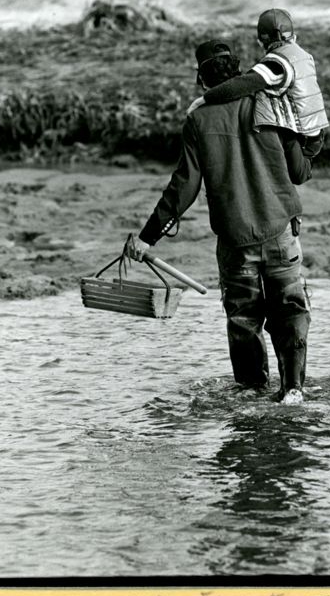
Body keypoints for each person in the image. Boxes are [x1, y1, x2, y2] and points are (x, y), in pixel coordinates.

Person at [127, 39, 320, 405]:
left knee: (243, 320)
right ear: (238, 68)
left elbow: (183, 187)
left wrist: (147, 237)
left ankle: (250, 397)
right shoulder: (272, 100)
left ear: (201, 78)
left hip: (235, 242)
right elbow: (299, 173)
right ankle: (293, 390)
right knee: (290, 311)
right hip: (280, 231)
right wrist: (312, 144)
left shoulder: (198, 119)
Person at [187, 9, 328, 163]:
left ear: (260, 41)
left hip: (301, 138)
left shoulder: (276, 62)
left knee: (259, 95)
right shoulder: (305, 56)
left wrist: (203, 99)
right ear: (294, 37)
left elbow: (239, 85)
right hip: (317, 131)